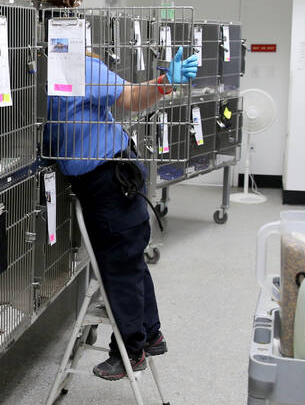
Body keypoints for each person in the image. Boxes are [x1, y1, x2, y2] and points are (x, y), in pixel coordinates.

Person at [44, 43, 198, 380]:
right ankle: (151, 334)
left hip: (111, 178)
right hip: (98, 178)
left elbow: (129, 98)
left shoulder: (80, 66)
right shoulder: (35, 73)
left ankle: (130, 351)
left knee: (118, 268)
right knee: (129, 261)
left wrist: (164, 82)